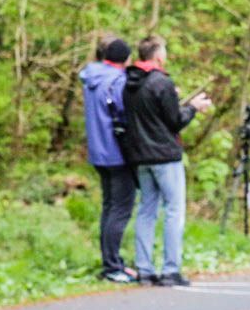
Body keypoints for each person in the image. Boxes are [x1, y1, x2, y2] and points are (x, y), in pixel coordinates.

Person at [121, 35, 212, 287]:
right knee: (174, 211)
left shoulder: (129, 82)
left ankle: (144, 269)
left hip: (140, 156)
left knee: (146, 211)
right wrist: (193, 107)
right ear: (159, 56)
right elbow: (175, 121)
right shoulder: (161, 82)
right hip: (165, 156)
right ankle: (171, 270)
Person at [80, 35, 137, 283]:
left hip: (97, 151)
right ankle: (113, 266)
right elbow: (124, 114)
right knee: (121, 209)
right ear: (125, 59)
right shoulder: (117, 81)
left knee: (108, 207)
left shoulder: (91, 77)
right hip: (116, 152)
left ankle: (110, 262)